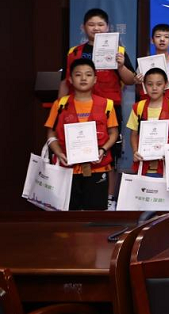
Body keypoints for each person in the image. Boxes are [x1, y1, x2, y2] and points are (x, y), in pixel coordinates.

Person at [60, 7, 135, 207]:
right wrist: (60, 109)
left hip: (108, 110)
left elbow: (131, 80)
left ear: (108, 27)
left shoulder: (118, 51)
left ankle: (109, 199)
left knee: (110, 155)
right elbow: (65, 81)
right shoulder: (75, 52)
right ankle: (78, 197)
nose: (96, 28)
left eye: (100, 24)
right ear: (83, 27)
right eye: (91, 24)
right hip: (78, 109)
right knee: (77, 150)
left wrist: (120, 65)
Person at [45, 58, 119, 210]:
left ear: (95, 79)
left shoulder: (107, 104)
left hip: (98, 168)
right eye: (78, 75)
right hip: (67, 169)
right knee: (69, 213)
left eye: (88, 74)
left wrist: (103, 149)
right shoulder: (60, 104)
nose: (83, 78)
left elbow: (113, 133)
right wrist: (59, 153)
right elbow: (51, 133)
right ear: (71, 79)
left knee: (95, 213)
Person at [126, 68, 169, 177]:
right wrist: (135, 151)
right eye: (150, 84)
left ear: (166, 85)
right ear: (144, 85)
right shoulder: (138, 107)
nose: (154, 88)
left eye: (159, 84)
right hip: (144, 165)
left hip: (168, 166)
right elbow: (133, 134)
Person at [138, 23, 169, 102]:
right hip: (149, 105)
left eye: (166, 37)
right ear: (152, 40)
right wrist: (137, 81)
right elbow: (138, 88)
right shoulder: (143, 64)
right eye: (158, 36)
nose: (162, 39)